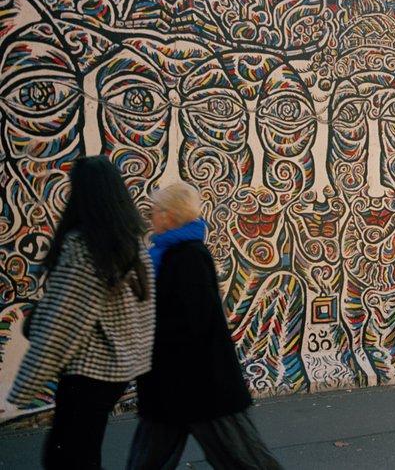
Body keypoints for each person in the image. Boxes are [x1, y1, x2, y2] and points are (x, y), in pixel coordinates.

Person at [7, 157, 156, 469]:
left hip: (86, 375)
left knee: (67, 459)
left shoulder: (85, 248)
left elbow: (62, 325)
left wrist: (24, 388)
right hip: (116, 373)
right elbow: (144, 312)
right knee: (82, 453)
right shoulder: (132, 242)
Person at [127, 181, 282, 470]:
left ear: (170, 215)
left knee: (246, 461)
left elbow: (195, 322)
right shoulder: (166, 255)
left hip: (203, 387)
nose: (151, 218)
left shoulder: (189, 256)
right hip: (173, 387)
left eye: (155, 212)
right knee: (147, 463)